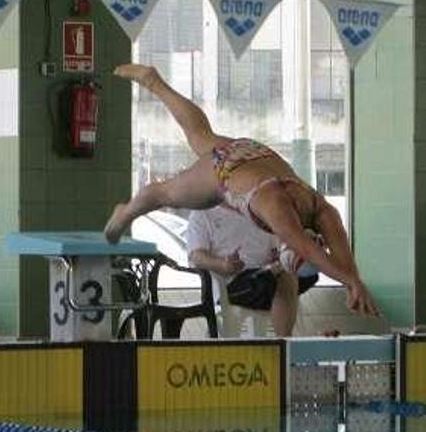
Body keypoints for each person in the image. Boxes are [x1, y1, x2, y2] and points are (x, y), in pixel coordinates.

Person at [104, 63, 378, 317]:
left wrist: (353, 284)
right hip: (224, 172)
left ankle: (155, 83)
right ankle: (125, 213)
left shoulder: (322, 209)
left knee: (200, 135)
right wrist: (350, 282)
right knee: (163, 193)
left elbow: (345, 265)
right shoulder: (278, 208)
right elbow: (307, 247)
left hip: (254, 153)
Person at [187, 204, 319, 337]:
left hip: (270, 278)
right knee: (278, 274)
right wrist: (223, 264)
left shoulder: (262, 210)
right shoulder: (203, 214)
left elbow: (280, 246)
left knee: (293, 270)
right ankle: (284, 345)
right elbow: (196, 256)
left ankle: (283, 344)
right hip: (231, 287)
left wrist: (291, 252)